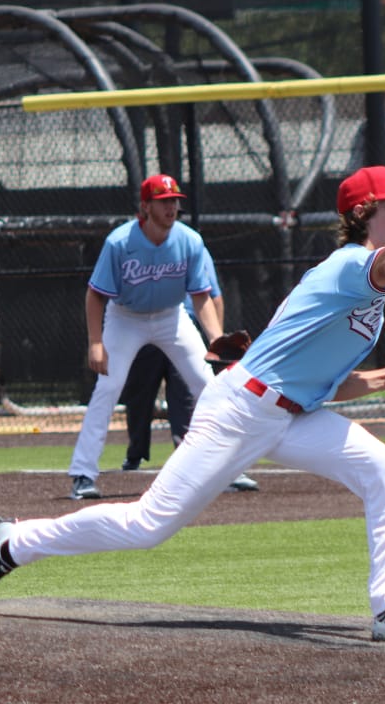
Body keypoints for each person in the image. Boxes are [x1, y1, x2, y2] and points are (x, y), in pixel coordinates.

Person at [0, 165, 385, 644]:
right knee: (148, 525)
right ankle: (16, 542)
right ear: (365, 213)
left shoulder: (369, 296)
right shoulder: (349, 266)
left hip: (293, 416)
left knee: (384, 466)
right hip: (239, 411)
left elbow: (323, 386)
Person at [65, 172, 253, 500]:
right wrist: (95, 342)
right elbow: (95, 295)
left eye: (175, 202)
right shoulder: (119, 243)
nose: (171, 208)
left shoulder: (189, 241)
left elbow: (200, 296)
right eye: (163, 202)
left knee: (208, 387)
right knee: (108, 388)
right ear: (145, 206)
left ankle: (228, 470)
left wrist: (216, 337)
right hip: (126, 318)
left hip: (171, 317)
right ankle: (83, 474)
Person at [118, 259, 257, 491]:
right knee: (139, 397)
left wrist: (217, 340)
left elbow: (215, 296)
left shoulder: (193, 246)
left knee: (192, 400)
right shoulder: (145, 245)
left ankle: (208, 465)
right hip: (146, 326)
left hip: (186, 330)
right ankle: (135, 452)